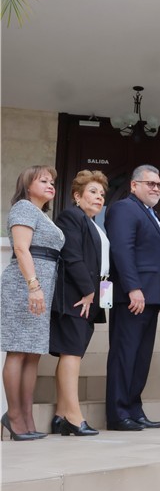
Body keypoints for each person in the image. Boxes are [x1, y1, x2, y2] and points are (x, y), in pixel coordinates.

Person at [105, 165, 160, 431]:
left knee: (140, 357)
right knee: (125, 354)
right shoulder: (124, 208)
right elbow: (123, 250)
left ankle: (134, 409)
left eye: (158, 184)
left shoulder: (154, 214)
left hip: (151, 296)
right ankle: (118, 414)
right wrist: (133, 287)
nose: (155, 188)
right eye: (150, 183)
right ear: (134, 186)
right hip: (133, 296)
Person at [1, 165, 63, 440]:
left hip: (43, 287)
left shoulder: (42, 215)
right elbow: (21, 248)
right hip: (24, 286)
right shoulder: (24, 208)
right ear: (28, 184)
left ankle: (26, 417)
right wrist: (33, 286)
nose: (51, 185)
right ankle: (14, 417)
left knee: (33, 352)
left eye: (52, 181)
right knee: (18, 349)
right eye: (44, 180)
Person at [50, 169, 110, 436]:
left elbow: (105, 267)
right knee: (71, 353)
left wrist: (103, 300)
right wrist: (88, 292)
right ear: (77, 196)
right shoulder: (71, 217)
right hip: (76, 297)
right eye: (93, 192)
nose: (99, 197)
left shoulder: (95, 225)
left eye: (102, 194)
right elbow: (72, 256)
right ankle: (74, 418)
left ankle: (61, 415)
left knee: (73, 354)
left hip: (92, 298)